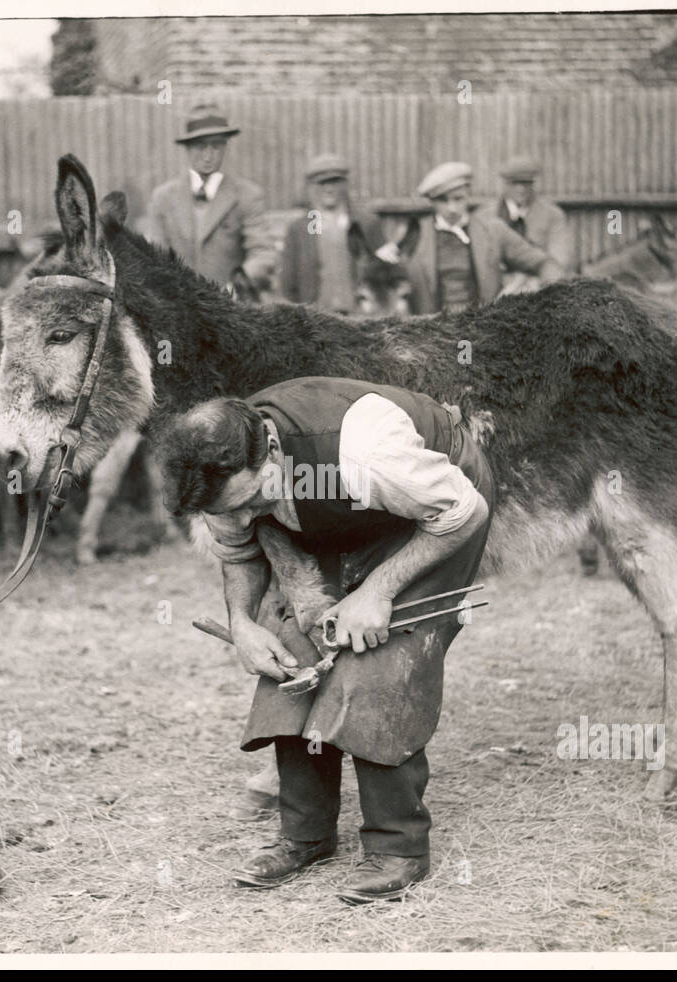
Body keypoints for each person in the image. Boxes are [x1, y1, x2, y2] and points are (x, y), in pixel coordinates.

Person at [158, 377, 494, 903]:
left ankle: (397, 846)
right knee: (291, 657)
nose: (245, 521)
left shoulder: (366, 451)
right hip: (343, 512)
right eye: (231, 513)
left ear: (271, 451)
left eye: (252, 501)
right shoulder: (219, 474)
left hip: (439, 509)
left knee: (379, 661)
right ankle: (306, 835)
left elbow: (463, 511)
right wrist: (244, 623)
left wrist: (377, 591)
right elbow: (241, 552)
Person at [145, 101, 276, 289]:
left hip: (232, 308)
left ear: (225, 147)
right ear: (188, 148)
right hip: (178, 307)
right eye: (200, 146)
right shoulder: (163, 198)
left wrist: (237, 286)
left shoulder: (247, 195)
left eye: (216, 146)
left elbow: (263, 254)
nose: (208, 156)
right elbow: (154, 256)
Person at [403, 161, 556, 313]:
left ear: (468, 195)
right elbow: (391, 282)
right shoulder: (413, 234)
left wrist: (525, 288)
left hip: (481, 329)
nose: (452, 208)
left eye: (458, 198)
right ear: (432, 201)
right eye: (443, 200)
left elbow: (543, 263)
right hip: (430, 330)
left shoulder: (493, 230)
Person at [277, 153, 387, 313]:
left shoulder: (367, 224)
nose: (329, 189)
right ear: (311, 187)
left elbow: (385, 274)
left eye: (335, 182)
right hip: (317, 321)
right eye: (321, 183)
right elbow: (288, 285)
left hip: (361, 318)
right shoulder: (298, 230)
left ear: (346, 184)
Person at [475, 154, 574, 292]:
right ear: (504, 184)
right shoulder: (484, 216)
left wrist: (535, 283)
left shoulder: (553, 215)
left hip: (539, 289)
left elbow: (559, 260)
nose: (521, 189)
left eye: (526, 183)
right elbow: (480, 264)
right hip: (497, 292)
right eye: (514, 183)